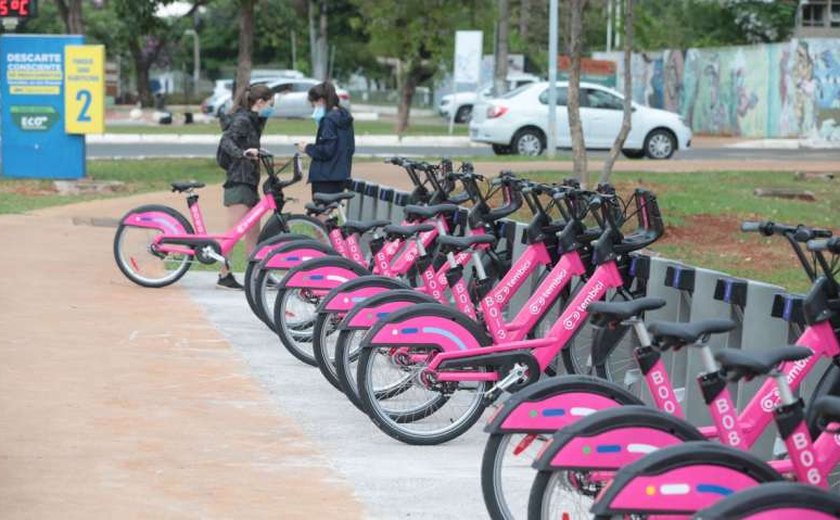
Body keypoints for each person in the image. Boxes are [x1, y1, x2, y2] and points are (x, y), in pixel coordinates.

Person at [216, 84, 275, 289]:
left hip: (249, 181)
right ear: (259, 102)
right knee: (233, 234)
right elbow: (226, 141)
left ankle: (256, 275)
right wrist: (243, 154)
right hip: (238, 182)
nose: (271, 108)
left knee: (253, 234)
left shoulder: (253, 120)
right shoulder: (242, 120)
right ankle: (224, 274)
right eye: (270, 104)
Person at [295, 81, 355, 200]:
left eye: (314, 104)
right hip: (341, 174)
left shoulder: (328, 120)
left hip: (325, 177)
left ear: (321, 100)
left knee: (321, 215)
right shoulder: (344, 117)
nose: (314, 110)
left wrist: (307, 148)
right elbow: (350, 148)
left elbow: (327, 150)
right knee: (330, 213)